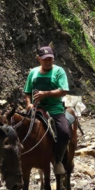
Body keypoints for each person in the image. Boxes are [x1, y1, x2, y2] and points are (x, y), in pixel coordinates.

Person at [23, 46, 70, 175]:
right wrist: (28, 103)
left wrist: (46, 94)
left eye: (50, 59)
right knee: (19, 129)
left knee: (64, 132)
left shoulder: (59, 71)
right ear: (39, 59)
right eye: (45, 59)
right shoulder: (33, 72)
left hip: (54, 109)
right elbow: (27, 92)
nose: (48, 61)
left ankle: (58, 160)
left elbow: (64, 90)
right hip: (36, 108)